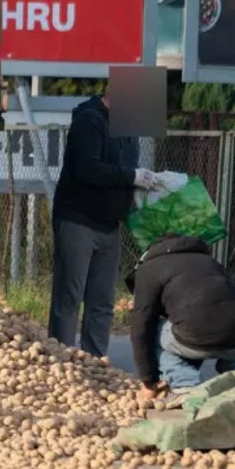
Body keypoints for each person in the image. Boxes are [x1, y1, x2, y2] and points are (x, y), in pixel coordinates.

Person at [48, 88, 155, 357]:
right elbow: (88, 169)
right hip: (78, 220)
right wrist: (131, 177)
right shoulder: (89, 121)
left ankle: (94, 362)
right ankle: (61, 359)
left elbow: (125, 173)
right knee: (69, 297)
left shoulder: (128, 130)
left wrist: (144, 183)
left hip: (110, 225)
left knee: (102, 301)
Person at [125, 234, 235, 404]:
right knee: (219, 319)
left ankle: (185, 383)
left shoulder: (149, 268)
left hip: (199, 334)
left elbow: (140, 330)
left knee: (154, 329)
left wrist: (148, 381)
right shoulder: (209, 262)